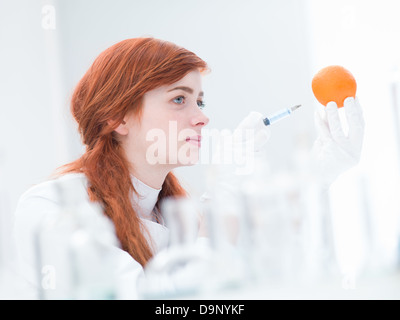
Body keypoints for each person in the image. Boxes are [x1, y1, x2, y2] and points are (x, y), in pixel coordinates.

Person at [13, 37, 364, 299]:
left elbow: (260, 258)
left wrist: (320, 172)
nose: (202, 117)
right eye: (179, 99)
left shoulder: (171, 213)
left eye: (199, 100)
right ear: (116, 117)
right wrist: (227, 190)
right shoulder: (49, 209)